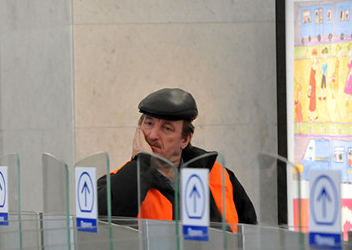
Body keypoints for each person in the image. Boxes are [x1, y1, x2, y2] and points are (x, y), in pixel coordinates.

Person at [97, 88, 257, 227]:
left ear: (185, 139)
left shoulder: (220, 177)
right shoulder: (116, 182)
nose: (152, 135)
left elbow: (250, 237)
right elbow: (103, 225)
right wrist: (142, 162)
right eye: (148, 124)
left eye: (166, 128)